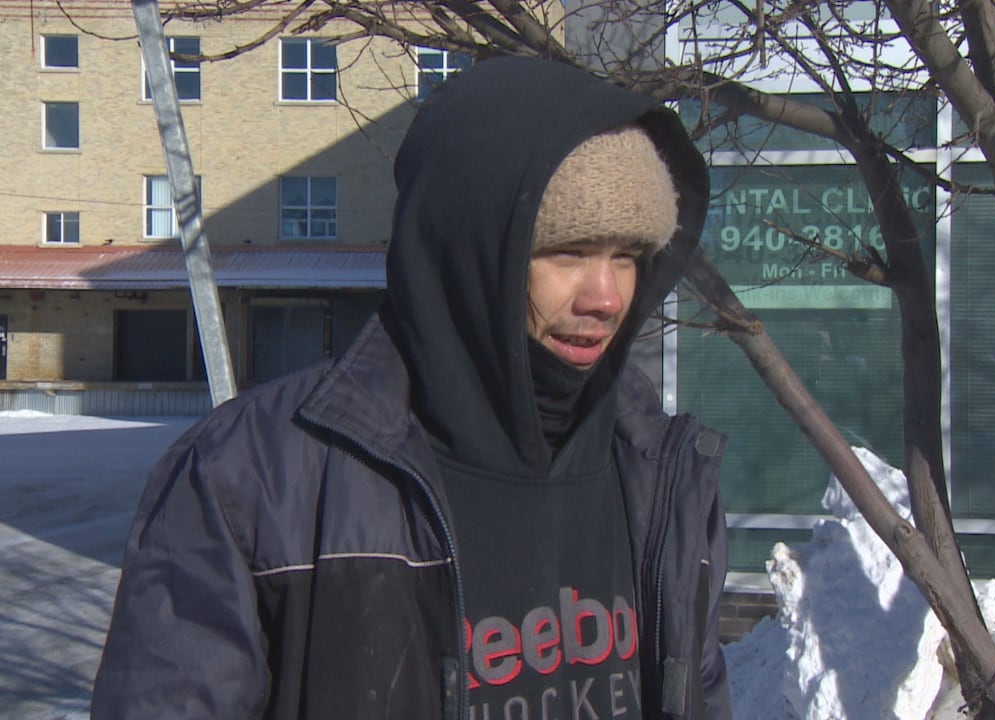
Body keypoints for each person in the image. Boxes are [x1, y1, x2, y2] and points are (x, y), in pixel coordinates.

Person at [92, 56, 730, 719]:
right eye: (568, 252)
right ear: (468, 250)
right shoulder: (250, 477)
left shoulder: (665, 479)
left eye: (627, 256)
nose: (607, 296)